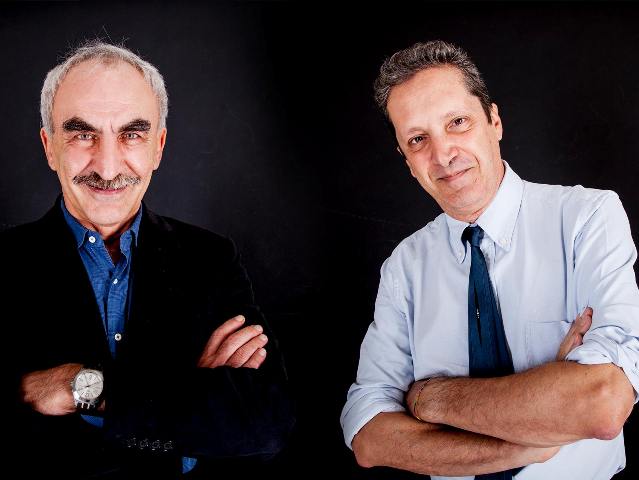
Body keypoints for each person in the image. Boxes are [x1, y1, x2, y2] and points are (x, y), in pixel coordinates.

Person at [340, 40, 639, 480]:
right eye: (418, 139)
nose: (443, 154)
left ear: (494, 121)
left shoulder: (587, 218)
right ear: (406, 161)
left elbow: (602, 403)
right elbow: (369, 437)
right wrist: (534, 441)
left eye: (457, 122)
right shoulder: (404, 267)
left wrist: (429, 399)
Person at [4, 40, 294, 478]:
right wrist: (189, 394)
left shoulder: (211, 259)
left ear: (158, 146)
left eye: (131, 134)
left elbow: (266, 425)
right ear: (49, 147)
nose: (107, 167)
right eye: (82, 134)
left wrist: (78, 386)